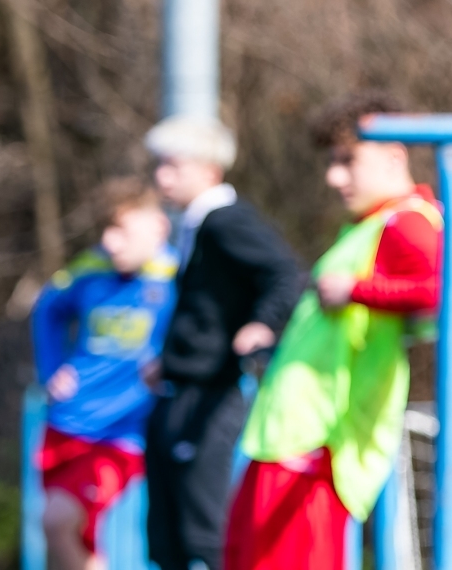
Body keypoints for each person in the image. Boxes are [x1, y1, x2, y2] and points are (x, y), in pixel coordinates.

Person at [226, 90, 452, 570]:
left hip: (320, 443)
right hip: (288, 435)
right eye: (331, 162)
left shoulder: (408, 222)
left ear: (394, 156)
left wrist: (358, 291)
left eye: (347, 161)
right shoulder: (369, 225)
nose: (333, 177)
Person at [143, 115, 304, 570]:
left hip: (211, 396)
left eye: (174, 166)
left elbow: (285, 273)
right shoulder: (195, 226)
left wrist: (263, 324)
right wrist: (169, 360)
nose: (162, 177)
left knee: (204, 530)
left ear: (209, 170)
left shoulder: (226, 221)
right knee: (167, 536)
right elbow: (205, 308)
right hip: (179, 390)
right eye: (159, 165)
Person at [31, 177, 179, 570]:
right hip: (66, 420)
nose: (111, 243)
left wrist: (171, 363)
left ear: (158, 226)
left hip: (121, 433)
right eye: (106, 230)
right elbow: (47, 308)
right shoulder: (90, 268)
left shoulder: (177, 276)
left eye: (122, 230)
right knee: (69, 535)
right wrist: (51, 369)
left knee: (57, 521)